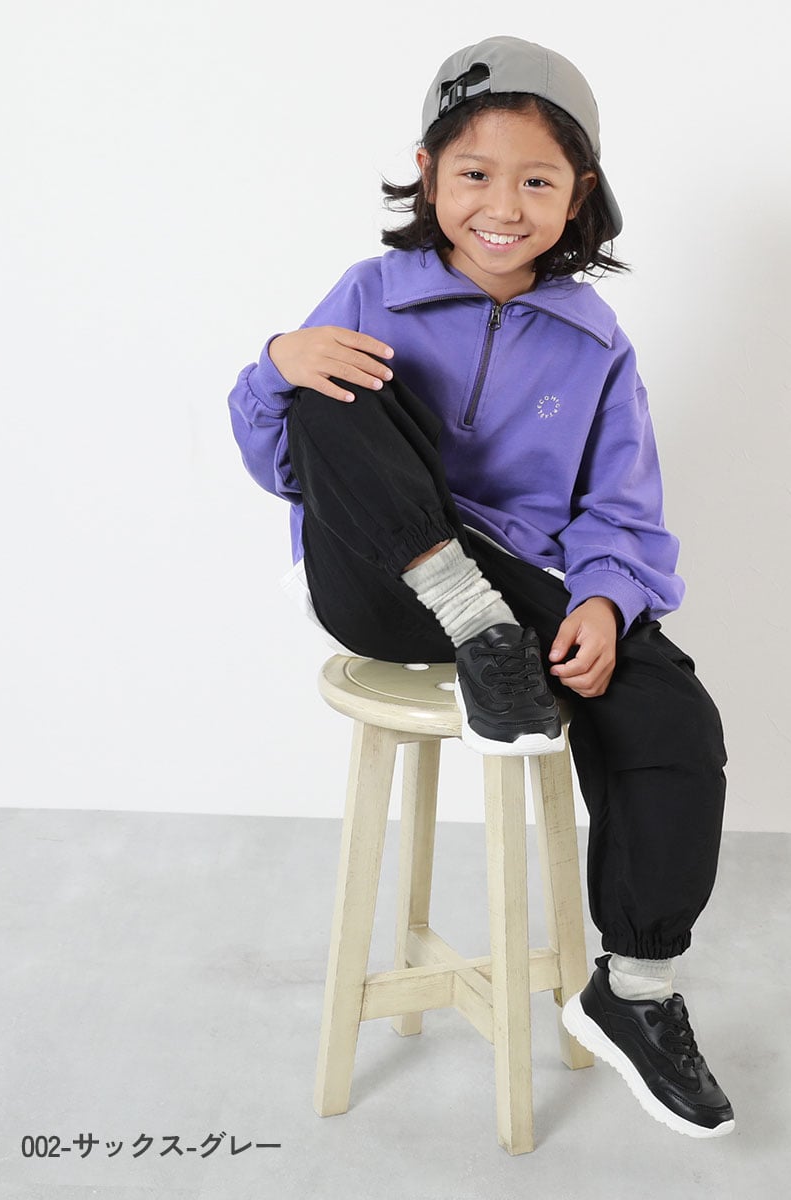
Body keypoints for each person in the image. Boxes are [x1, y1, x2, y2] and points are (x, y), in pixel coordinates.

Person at [228, 35, 734, 1138]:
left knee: (672, 710)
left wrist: (602, 601)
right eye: (474, 173)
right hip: (377, 577)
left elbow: (620, 507)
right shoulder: (373, 293)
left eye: (537, 181)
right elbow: (286, 459)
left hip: (511, 590)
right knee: (328, 383)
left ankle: (638, 991)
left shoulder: (594, 342)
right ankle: (476, 629)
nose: (503, 206)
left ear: (577, 195)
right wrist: (275, 364)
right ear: (427, 173)